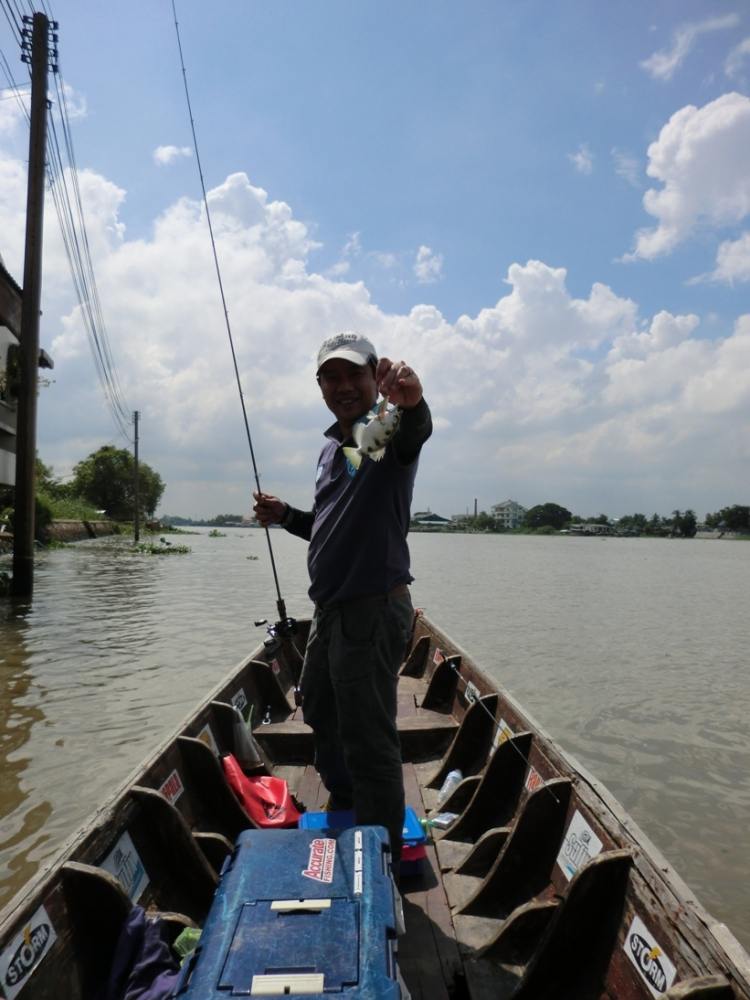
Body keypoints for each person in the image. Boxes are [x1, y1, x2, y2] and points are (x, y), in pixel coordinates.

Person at [253, 332, 432, 869]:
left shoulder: (377, 433)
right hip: (331, 610)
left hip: (370, 610)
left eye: (353, 374)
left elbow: (411, 435)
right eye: (330, 377)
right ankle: (350, 800)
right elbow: (332, 526)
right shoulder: (339, 448)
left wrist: (412, 404)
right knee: (321, 705)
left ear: (375, 375)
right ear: (320, 386)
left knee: (367, 734)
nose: (342, 385)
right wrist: (286, 516)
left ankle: (378, 861)